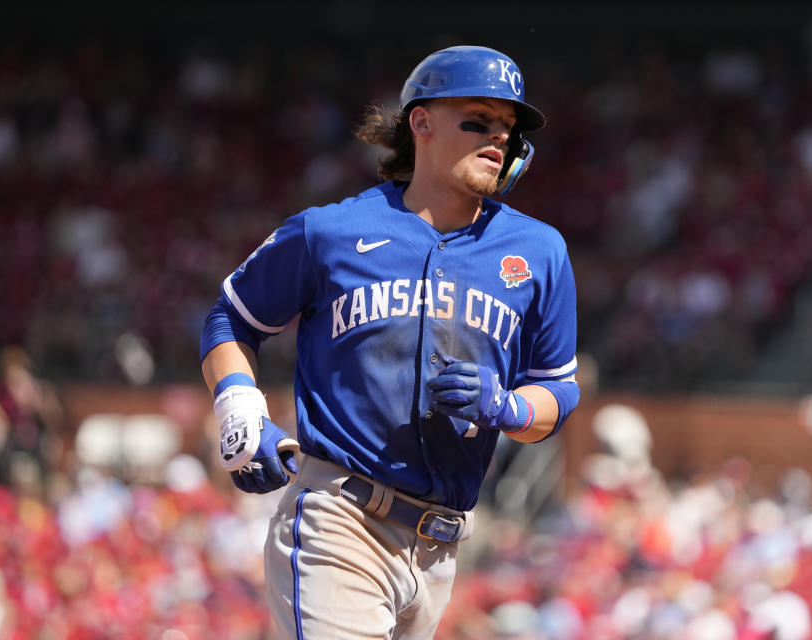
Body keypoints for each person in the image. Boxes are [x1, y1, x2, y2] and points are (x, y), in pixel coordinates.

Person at [198, 45, 580, 639]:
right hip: (341, 519)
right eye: (477, 120)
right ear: (420, 123)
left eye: (508, 128)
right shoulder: (331, 231)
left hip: (439, 550)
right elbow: (231, 318)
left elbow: (558, 392)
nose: (497, 138)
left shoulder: (540, 251)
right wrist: (240, 405)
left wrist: (510, 407)